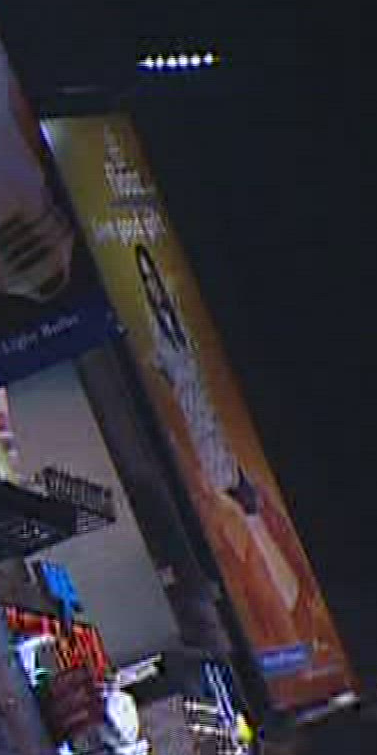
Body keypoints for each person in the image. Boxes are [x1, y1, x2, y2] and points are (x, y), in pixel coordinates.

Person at [135, 245, 333, 654]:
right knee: (248, 518)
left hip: (213, 430)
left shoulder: (180, 327)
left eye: (155, 282)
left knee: (254, 516)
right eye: (149, 283)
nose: (155, 290)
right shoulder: (162, 341)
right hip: (205, 436)